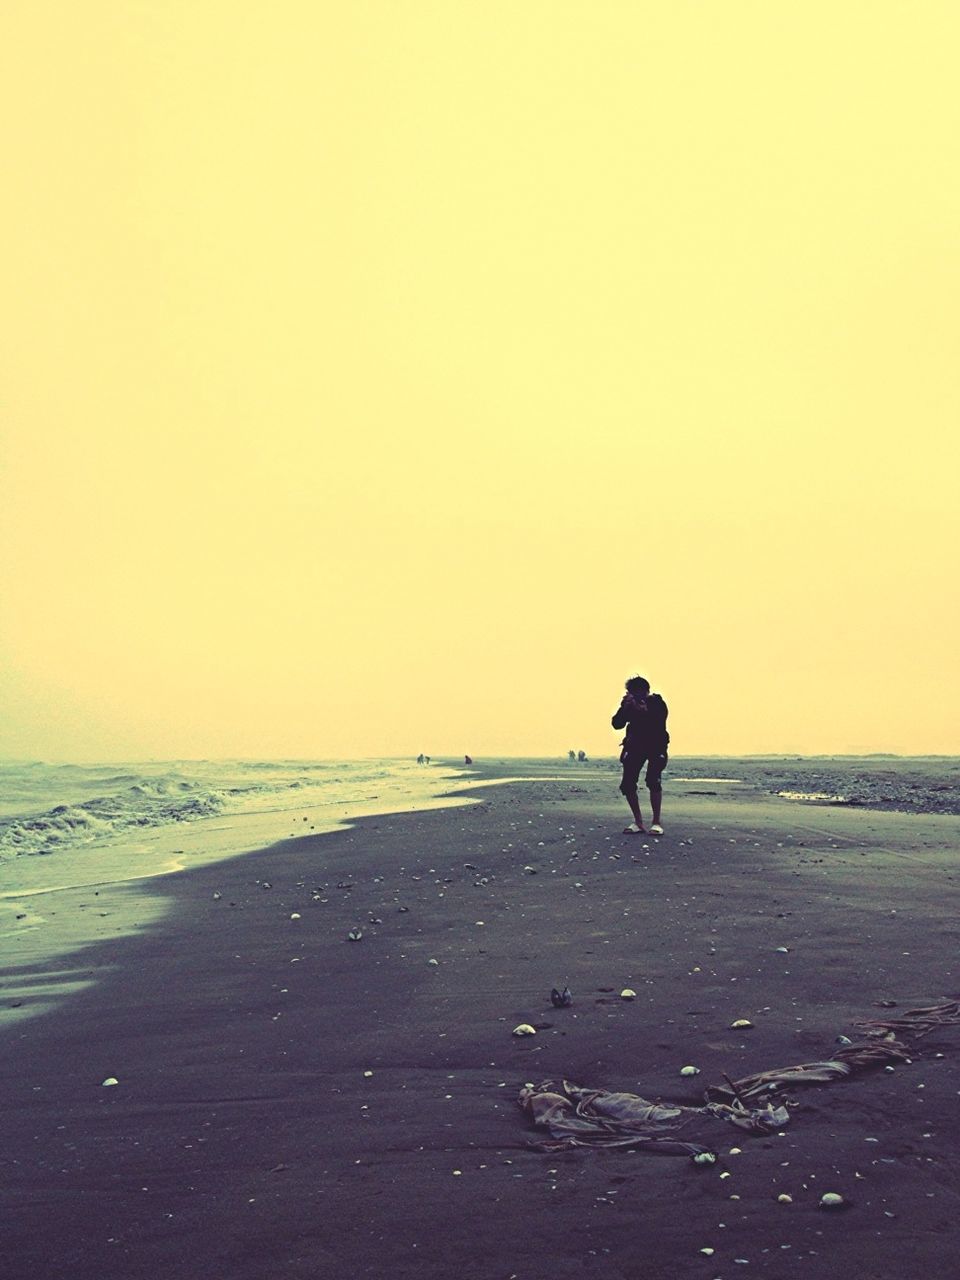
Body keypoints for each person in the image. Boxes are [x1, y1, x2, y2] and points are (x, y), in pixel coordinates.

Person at [611, 674, 669, 835]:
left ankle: (656, 822)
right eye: (631, 693)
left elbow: (658, 719)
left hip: (656, 746)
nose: (636, 696)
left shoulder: (657, 703)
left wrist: (641, 709)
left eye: (638, 692)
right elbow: (617, 724)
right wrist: (625, 707)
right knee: (628, 784)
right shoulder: (629, 705)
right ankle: (638, 822)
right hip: (635, 746)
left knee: (653, 780)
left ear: (646, 691)